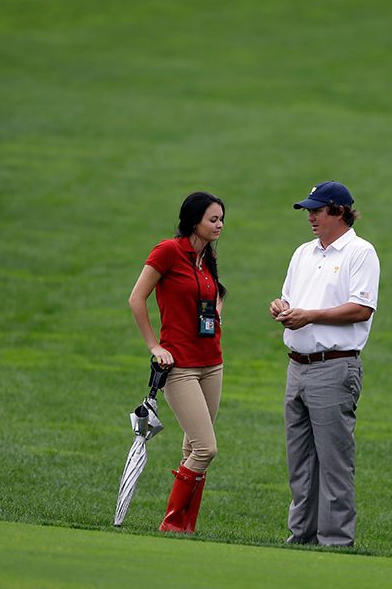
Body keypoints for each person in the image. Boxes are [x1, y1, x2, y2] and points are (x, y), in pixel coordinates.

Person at [268, 181, 379, 547]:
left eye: (317, 210)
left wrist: (310, 316)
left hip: (334, 367)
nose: (311, 217)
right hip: (297, 367)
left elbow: (361, 308)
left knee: (333, 462)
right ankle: (301, 537)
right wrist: (281, 308)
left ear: (339, 212)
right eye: (308, 210)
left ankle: (335, 542)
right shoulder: (303, 253)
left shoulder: (360, 252)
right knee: (300, 462)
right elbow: (289, 299)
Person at [129, 191, 227, 533]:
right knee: (206, 448)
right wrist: (154, 345)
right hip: (181, 367)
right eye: (212, 219)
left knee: (192, 447)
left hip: (212, 363)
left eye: (221, 219)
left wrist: (215, 314)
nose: (219, 225)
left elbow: (215, 295)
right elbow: (136, 298)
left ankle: (186, 527)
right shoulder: (169, 251)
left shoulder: (207, 258)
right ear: (193, 221)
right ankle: (172, 525)